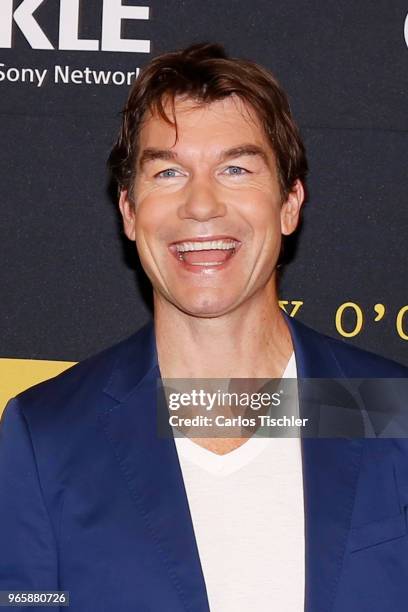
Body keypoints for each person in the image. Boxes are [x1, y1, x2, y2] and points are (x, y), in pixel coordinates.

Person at [1, 42, 408, 612]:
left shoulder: (388, 411)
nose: (201, 204)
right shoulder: (48, 437)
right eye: (168, 172)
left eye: (236, 168)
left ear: (289, 203)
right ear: (129, 211)